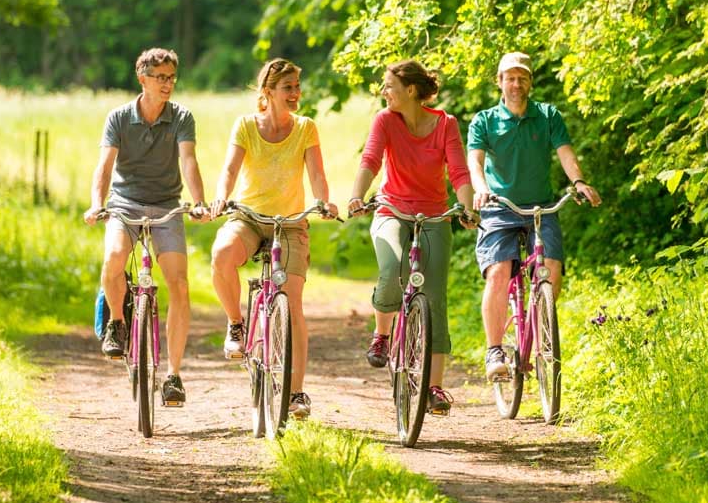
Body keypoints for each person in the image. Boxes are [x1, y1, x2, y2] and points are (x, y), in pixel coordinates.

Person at [208, 58, 338, 421]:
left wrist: (324, 202)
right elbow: (230, 169)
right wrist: (221, 195)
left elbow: (317, 175)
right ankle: (236, 322)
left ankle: (296, 393)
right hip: (249, 217)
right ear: (268, 92)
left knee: (292, 302)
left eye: (297, 86)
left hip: (291, 223)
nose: (296, 93)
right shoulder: (247, 126)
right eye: (288, 88)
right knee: (221, 254)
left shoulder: (305, 128)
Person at [347, 60, 477, 416]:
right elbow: (371, 160)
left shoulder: (445, 124)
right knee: (392, 267)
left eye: (389, 86)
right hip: (392, 210)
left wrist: (465, 208)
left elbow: (459, 170)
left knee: (434, 298)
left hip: (434, 214)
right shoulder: (385, 120)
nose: (384, 92)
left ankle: (434, 387)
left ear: (411, 90)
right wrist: (357, 196)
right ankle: (382, 334)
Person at [83, 47, 209, 407]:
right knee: (114, 258)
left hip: (167, 205)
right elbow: (104, 168)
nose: (167, 84)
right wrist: (97, 204)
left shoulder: (182, 117)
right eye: (160, 77)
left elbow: (189, 161)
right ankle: (118, 323)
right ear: (143, 78)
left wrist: (198, 202)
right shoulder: (119, 118)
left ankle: (173, 375)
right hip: (125, 204)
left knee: (180, 285)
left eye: (171, 77)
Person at [466, 51, 601, 381]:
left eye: (522, 77)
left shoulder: (548, 115)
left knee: (551, 269)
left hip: (541, 208)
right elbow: (475, 162)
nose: (516, 83)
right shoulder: (484, 120)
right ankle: (495, 350)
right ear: (499, 82)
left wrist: (579, 182)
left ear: (530, 82)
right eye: (510, 77)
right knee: (499, 272)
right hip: (500, 209)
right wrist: (480, 189)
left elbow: (566, 153)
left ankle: (540, 331)